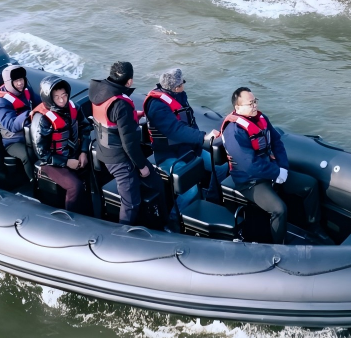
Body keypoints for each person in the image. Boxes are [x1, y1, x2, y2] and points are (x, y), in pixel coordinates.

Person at [220, 87, 324, 244]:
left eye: (255, 101)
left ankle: (313, 228)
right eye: (250, 103)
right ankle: (279, 245)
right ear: (238, 108)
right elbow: (249, 165)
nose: (254, 105)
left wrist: (283, 168)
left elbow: (277, 142)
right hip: (250, 181)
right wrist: (276, 173)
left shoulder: (261, 119)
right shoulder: (233, 131)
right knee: (279, 209)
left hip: (270, 169)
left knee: (310, 185)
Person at [90, 61, 168, 227]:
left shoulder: (100, 91)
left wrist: (132, 117)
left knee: (152, 183)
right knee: (132, 201)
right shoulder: (121, 105)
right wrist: (142, 167)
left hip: (103, 150)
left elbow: (111, 120)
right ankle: (124, 233)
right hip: (119, 158)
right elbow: (129, 144)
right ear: (129, 81)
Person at [142, 67, 224, 202]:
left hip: (189, 149)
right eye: (182, 83)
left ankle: (211, 198)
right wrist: (203, 137)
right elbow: (175, 130)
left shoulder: (179, 96)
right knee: (190, 190)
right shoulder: (157, 106)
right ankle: (175, 219)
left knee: (221, 167)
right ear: (175, 88)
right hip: (170, 155)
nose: (184, 86)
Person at [29, 76, 90, 214]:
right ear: (49, 98)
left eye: (64, 95)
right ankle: (70, 217)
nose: (62, 100)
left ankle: (90, 210)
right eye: (57, 97)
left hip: (75, 154)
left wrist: (84, 152)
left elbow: (85, 129)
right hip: (51, 161)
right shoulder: (42, 119)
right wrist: (67, 162)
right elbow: (41, 153)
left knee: (95, 173)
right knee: (75, 186)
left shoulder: (74, 107)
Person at [0, 64, 41, 177]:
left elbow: (39, 103)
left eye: (21, 79)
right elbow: (12, 125)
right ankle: (35, 184)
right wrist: (30, 113)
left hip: (31, 133)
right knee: (27, 155)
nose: (20, 83)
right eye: (16, 80)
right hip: (13, 141)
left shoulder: (26, 90)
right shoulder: (0, 103)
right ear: (9, 82)